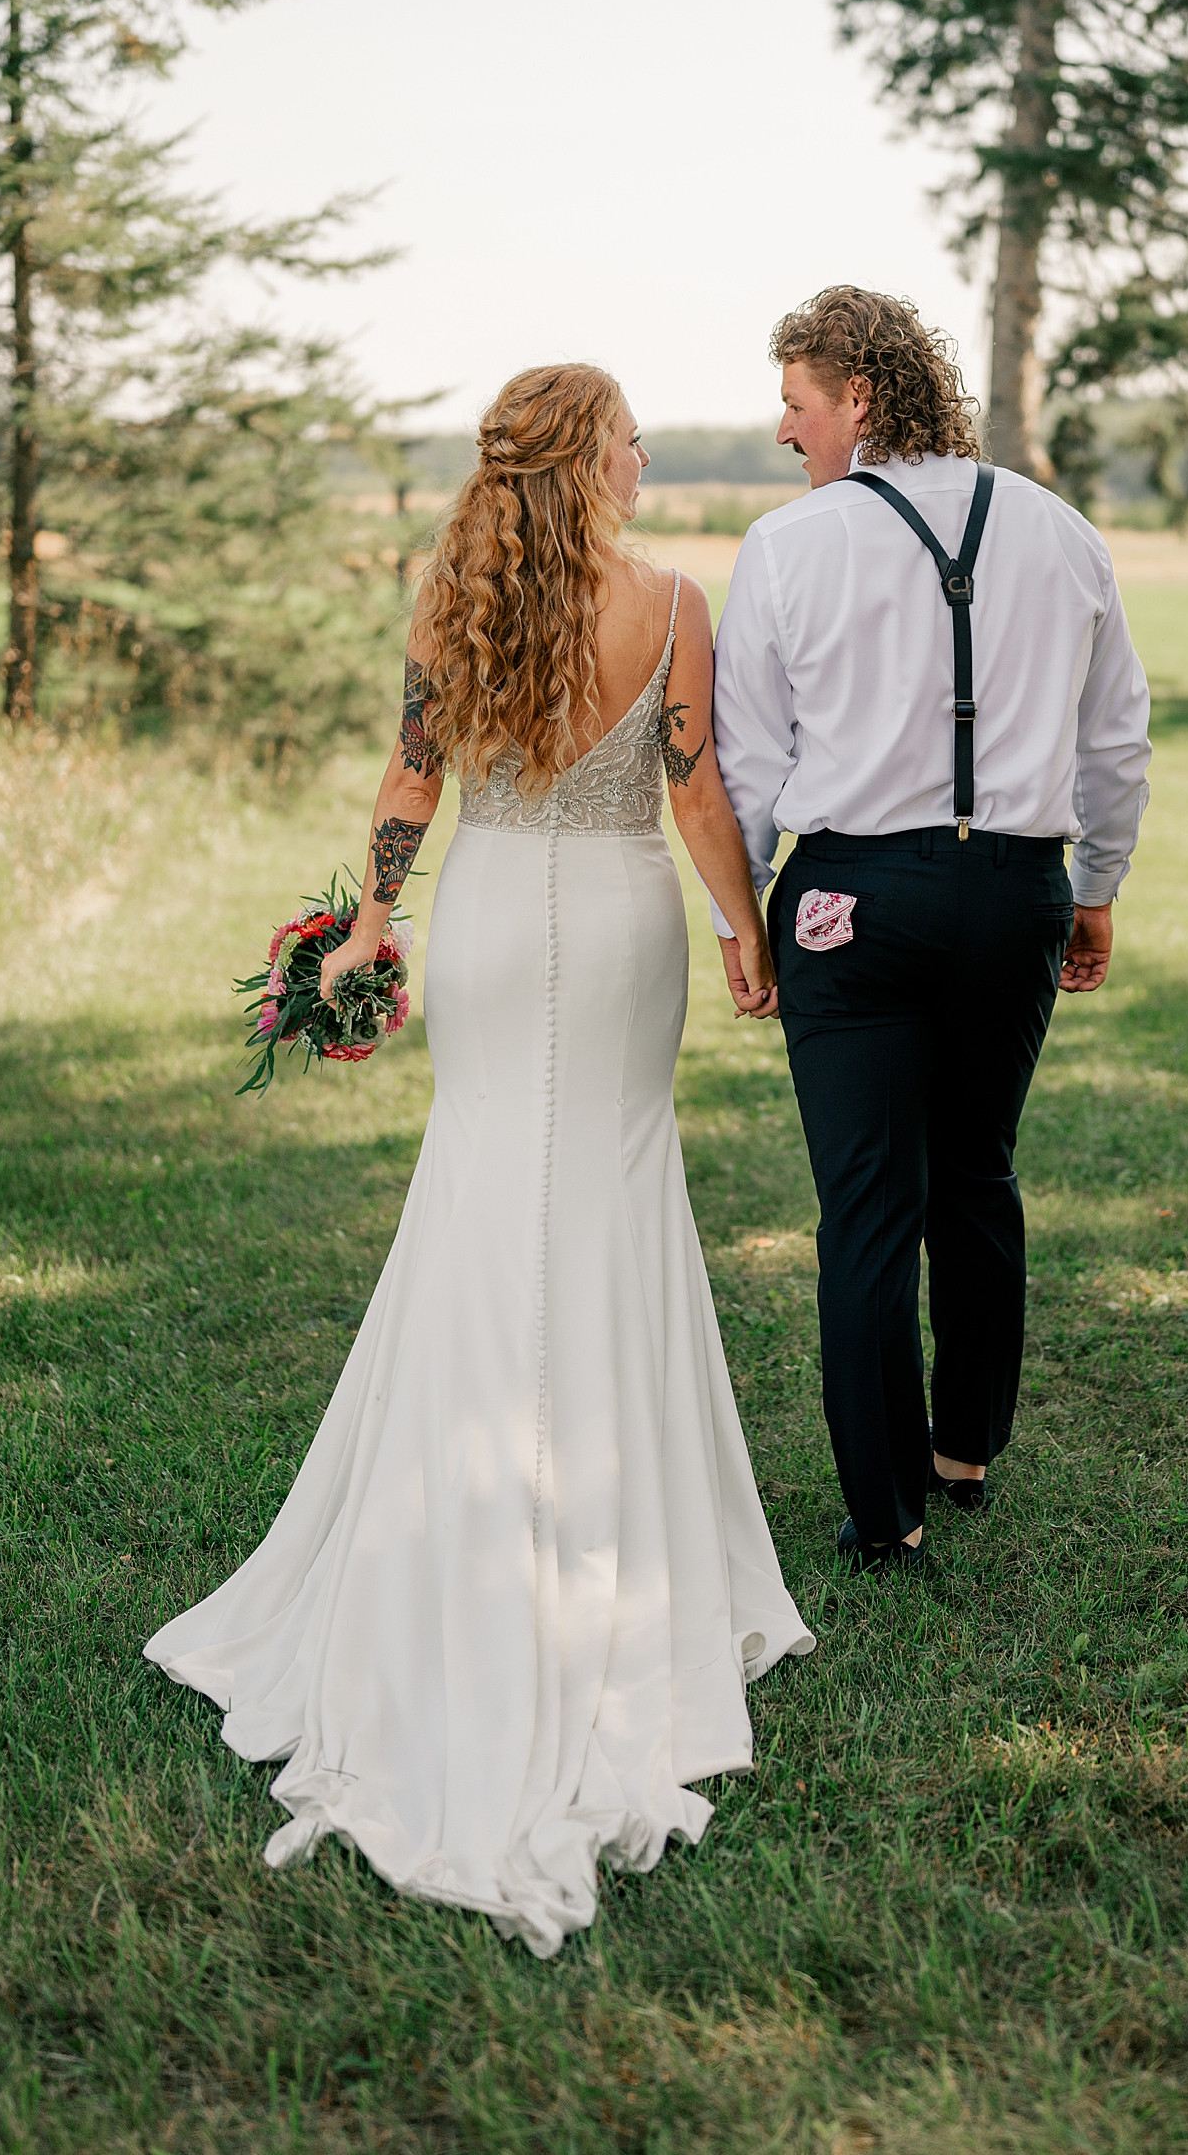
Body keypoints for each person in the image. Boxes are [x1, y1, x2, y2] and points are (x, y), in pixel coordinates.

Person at [145, 364, 813, 1959]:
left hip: (495, 922)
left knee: (477, 1201)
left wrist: (379, 913)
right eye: (635, 436)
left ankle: (463, 1519)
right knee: (607, 1202)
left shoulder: (456, 596)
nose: (651, 457)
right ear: (593, 459)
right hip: (625, 911)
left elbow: (411, 781)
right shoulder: (666, 601)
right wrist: (747, 926)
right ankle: (616, 1551)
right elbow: (695, 783)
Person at [709, 286, 1152, 1575]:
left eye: (796, 402)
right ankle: (966, 1450)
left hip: (848, 900)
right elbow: (1113, 734)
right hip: (1015, 893)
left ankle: (886, 1506)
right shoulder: (1062, 531)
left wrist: (745, 918)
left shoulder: (788, 547)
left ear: (857, 394)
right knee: (974, 1173)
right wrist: (1096, 886)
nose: (784, 430)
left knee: (865, 1206)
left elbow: (748, 762)